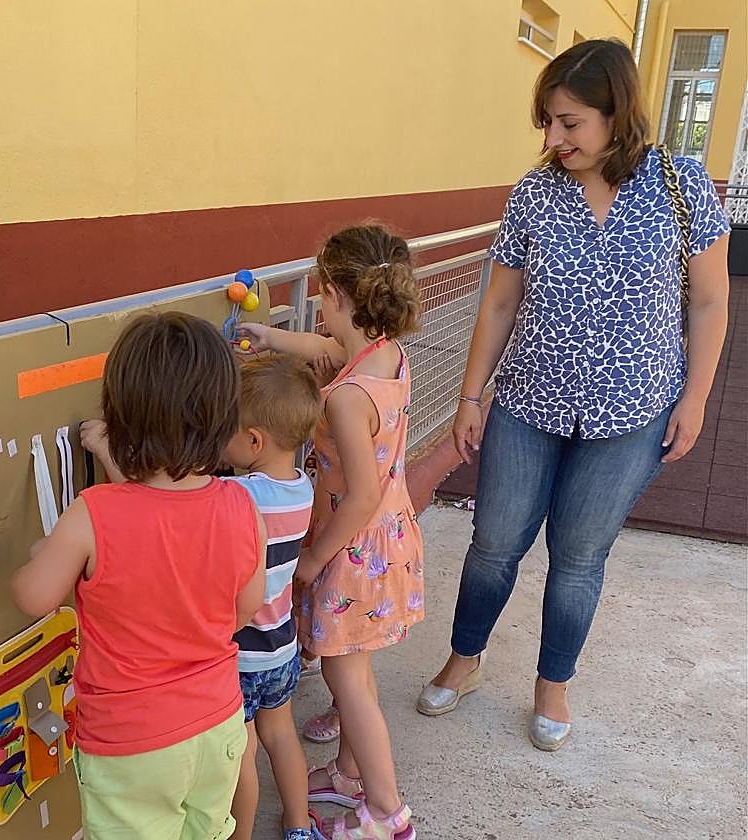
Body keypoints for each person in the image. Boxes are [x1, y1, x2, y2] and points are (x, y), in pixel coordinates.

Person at [416, 38, 730, 752]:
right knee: (494, 543)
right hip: (528, 404)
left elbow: (711, 304)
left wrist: (696, 398)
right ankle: (465, 660)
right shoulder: (533, 195)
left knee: (580, 557)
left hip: (631, 413)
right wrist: (470, 399)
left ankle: (552, 682)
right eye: (548, 123)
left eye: (569, 122)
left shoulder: (680, 185)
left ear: (617, 115)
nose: (553, 138)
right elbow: (498, 305)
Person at [12, 311, 267, 840]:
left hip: (133, 743)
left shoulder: (91, 514)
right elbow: (244, 608)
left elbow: (33, 597)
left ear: (121, 415)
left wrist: (46, 551)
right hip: (218, 722)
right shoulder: (243, 507)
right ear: (225, 418)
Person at [239, 224, 424, 840]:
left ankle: (386, 813)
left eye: (321, 290)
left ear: (339, 295)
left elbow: (361, 494)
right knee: (358, 669)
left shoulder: (346, 398)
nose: (317, 302)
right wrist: (267, 336)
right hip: (385, 541)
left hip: (350, 551)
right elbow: (321, 348)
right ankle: (347, 773)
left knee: (349, 686)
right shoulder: (384, 354)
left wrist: (314, 559)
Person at [221, 356, 322, 840]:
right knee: (281, 737)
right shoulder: (302, 488)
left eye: (227, 430)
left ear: (254, 441)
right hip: (281, 646)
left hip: (241, 653)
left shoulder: (238, 496)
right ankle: (299, 826)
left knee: (242, 752)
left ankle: (240, 836)